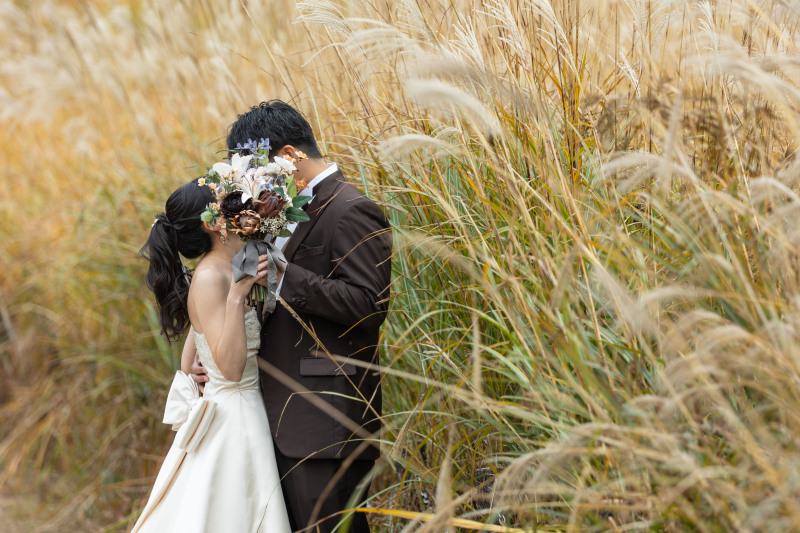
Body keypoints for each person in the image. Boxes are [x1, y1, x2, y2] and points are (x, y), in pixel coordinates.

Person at [191, 101, 393, 532]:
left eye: (256, 171)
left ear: (287, 157)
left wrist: (286, 279)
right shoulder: (275, 213)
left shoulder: (351, 209)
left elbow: (369, 308)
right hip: (273, 417)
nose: (252, 185)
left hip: (324, 420)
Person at [131, 178, 291, 533]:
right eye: (228, 199)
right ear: (213, 222)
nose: (239, 201)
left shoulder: (228, 267)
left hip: (246, 409)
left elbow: (195, 353)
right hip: (235, 418)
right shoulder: (209, 278)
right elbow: (232, 370)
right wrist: (238, 297)